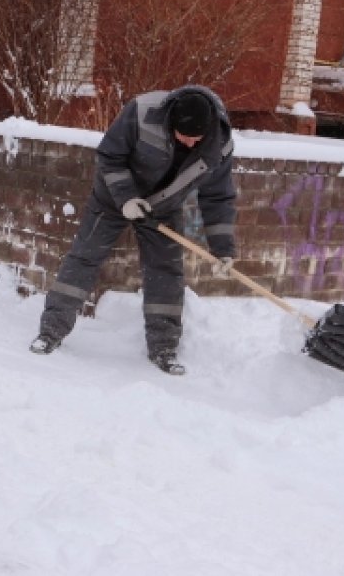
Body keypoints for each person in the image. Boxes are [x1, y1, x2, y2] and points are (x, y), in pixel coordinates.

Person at [29, 86, 238, 375]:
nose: (190, 143)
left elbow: (218, 196)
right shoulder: (141, 112)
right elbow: (110, 155)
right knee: (84, 257)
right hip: (113, 199)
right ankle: (50, 331)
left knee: (166, 272)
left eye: (196, 138)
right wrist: (126, 198)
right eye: (184, 135)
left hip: (163, 207)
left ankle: (164, 349)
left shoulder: (221, 143)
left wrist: (223, 249)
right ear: (171, 120)